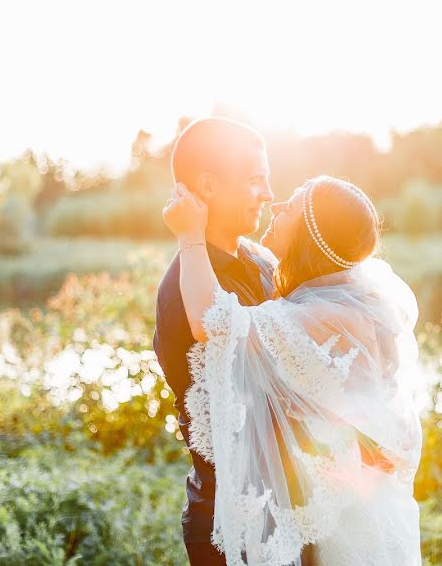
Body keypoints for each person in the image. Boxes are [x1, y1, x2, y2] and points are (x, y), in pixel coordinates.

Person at [163, 174, 423, 565]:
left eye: (293, 206)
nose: (277, 204)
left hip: (349, 525)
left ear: (309, 236)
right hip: (356, 507)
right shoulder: (335, 300)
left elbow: (212, 322)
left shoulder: (328, 315)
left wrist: (189, 236)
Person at [153, 117, 299, 565]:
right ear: (209, 186)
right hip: (227, 525)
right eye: (256, 180)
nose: (268, 194)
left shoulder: (259, 260)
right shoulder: (185, 283)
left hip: (284, 507)